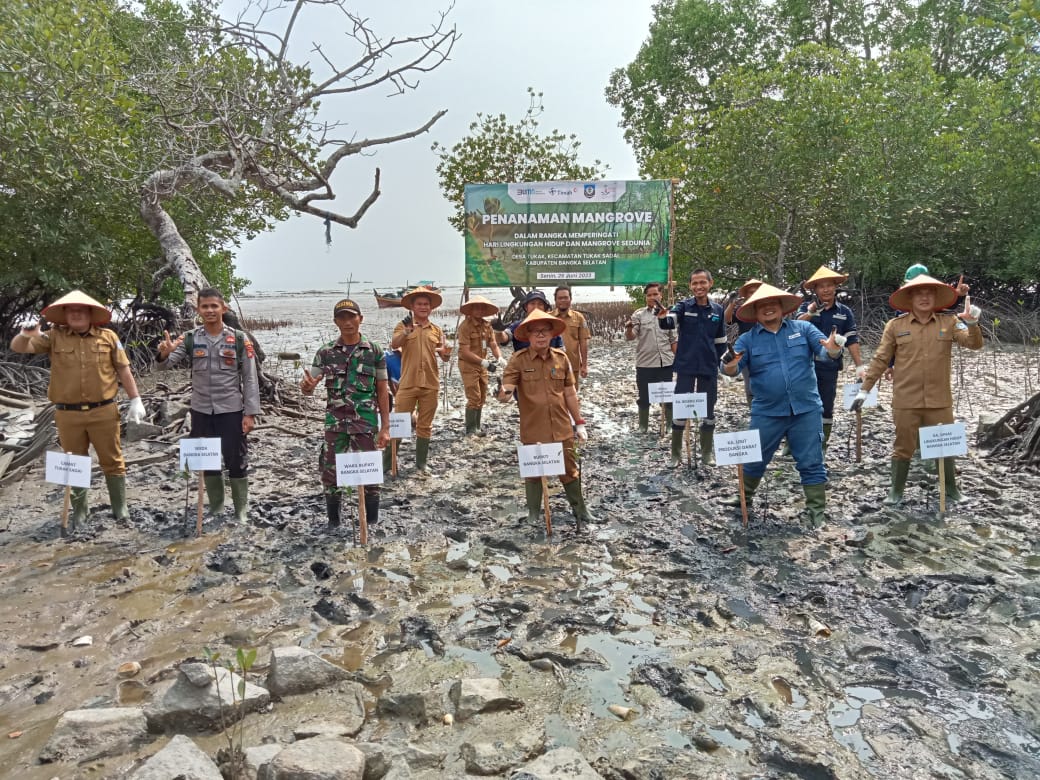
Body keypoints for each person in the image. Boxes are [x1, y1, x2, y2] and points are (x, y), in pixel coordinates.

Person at [11, 290, 147, 527]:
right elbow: (19, 347)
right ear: (64, 315)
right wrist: (25, 334)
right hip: (67, 413)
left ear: (90, 314)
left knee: (113, 460)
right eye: (70, 311)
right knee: (74, 462)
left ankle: (120, 509)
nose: (75, 314)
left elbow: (123, 369)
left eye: (80, 310)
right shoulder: (53, 337)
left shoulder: (108, 337)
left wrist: (136, 399)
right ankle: (80, 511)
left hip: (103, 411)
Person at [721, 283, 845, 527]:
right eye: (762, 306)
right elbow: (730, 369)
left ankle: (816, 511)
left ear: (782, 308)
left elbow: (826, 352)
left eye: (772, 304)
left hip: (806, 409)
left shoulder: (804, 328)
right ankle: (743, 498)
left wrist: (832, 350)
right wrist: (729, 365)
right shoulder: (747, 340)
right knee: (754, 458)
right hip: (767, 411)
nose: (768, 309)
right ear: (755, 313)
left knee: (811, 461)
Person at [852, 274, 983, 505]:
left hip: (939, 400)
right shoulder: (895, 325)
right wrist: (864, 390)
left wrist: (972, 324)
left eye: (929, 293)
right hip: (905, 400)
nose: (924, 297)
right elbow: (881, 359)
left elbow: (974, 344)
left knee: (944, 445)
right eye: (918, 293)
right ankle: (896, 491)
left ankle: (951, 489)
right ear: (910, 298)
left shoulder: (950, 322)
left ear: (935, 297)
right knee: (903, 447)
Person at [157, 287, 261, 523]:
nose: (210, 310)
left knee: (237, 459)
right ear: (198, 310)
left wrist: (251, 413)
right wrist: (164, 353)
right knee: (208, 459)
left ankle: (241, 510)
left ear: (224, 308)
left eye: (214, 306)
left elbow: (250, 377)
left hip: (231, 410)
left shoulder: (240, 339)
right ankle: (216, 507)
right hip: (202, 410)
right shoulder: (191, 338)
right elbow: (164, 365)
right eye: (205, 306)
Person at [496, 309, 596, 526]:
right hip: (533, 428)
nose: (540, 335)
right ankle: (533, 514)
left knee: (570, 470)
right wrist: (501, 392)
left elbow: (570, 393)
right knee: (533, 473)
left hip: (562, 426)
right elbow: (506, 392)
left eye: (544, 331)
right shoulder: (518, 360)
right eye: (535, 332)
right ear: (528, 336)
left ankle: (581, 511)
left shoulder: (561, 359)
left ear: (552, 334)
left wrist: (579, 423)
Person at [300, 298, 391, 528]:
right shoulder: (326, 352)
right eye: (342, 318)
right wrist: (307, 387)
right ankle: (334, 521)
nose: (348, 322)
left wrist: (385, 427)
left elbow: (382, 391)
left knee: (370, 473)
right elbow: (311, 381)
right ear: (335, 322)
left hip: (365, 422)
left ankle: (371, 522)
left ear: (361, 319)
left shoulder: (374, 351)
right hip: (335, 424)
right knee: (330, 472)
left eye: (352, 317)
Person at [658, 269, 728, 466]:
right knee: (681, 407)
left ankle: (706, 454)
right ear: (690, 286)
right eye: (695, 283)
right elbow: (670, 321)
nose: (699, 286)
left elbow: (721, 340)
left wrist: (717, 361)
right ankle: (676, 454)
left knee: (708, 408)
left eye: (702, 282)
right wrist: (663, 317)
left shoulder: (717, 310)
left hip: (708, 366)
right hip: (686, 366)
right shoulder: (683, 306)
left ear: (710, 283)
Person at [795, 266, 865, 448]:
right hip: (803, 366)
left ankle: (822, 447)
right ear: (815, 290)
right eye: (821, 286)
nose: (826, 289)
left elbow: (852, 339)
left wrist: (860, 367)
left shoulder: (845, 312)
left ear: (835, 287)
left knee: (826, 407)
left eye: (829, 285)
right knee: (801, 405)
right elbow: (794, 329)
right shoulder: (804, 307)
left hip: (829, 366)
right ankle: (794, 444)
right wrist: (810, 312)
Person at [389, 285, 451, 474]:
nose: (423, 307)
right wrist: (407, 331)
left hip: (431, 383)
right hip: (408, 382)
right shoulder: (403, 326)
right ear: (412, 307)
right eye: (419, 304)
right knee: (399, 423)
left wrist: (447, 353)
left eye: (426, 304)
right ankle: (388, 463)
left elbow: (444, 355)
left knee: (425, 426)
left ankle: (421, 463)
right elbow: (394, 344)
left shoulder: (436, 330)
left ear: (430, 308)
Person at [624, 282, 677, 433]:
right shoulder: (639, 314)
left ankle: (668, 425)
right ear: (646, 297)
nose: (653, 297)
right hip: (645, 363)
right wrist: (628, 329)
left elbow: (673, 339)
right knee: (644, 397)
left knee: (667, 396)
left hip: (665, 362)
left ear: (661, 295)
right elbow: (631, 337)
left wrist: (678, 361)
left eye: (655, 294)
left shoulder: (670, 314)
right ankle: (643, 426)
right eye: (649, 295)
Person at [456, 295, 502, 436]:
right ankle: (470, 429)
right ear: (470, 310)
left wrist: (499, 357)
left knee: (482, 396)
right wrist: (484, 362)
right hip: (468, 365)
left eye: (482, 308)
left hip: (483, 365)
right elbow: (464, 352)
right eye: (476, 307)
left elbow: (493, 343)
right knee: (474, 397)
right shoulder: (465, 327)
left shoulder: (487, 326)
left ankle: (477, 426)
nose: (479, 310)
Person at [723, 278, 763, 407]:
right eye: (750, 292)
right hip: (748, 351)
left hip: (769, 349)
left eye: (756, 291)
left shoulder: (769, 306)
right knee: (750, 385)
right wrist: (732, 304)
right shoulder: (742, 310)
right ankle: (754, 411)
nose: (754, 294)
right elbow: (727, 319)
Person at [496, 290, 564, 352]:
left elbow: (561, 351)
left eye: (540, 304)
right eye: (532, 303)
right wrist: (499, 331)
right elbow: (504, 338)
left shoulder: (552, 326)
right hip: (523, 364)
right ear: (526, 307)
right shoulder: (518, 326)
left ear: (545, 308)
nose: (536, 307)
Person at [551, 286, 591, 390]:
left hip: (572, 365)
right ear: (555, 300)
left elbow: (583, 342)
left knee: (572, 396)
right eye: (560, 298)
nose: (563, 300)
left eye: (566, 297)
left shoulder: (579, 317)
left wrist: (585, 365)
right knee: (554, 397)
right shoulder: (548, 317)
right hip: (552, 365)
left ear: (570, 299)